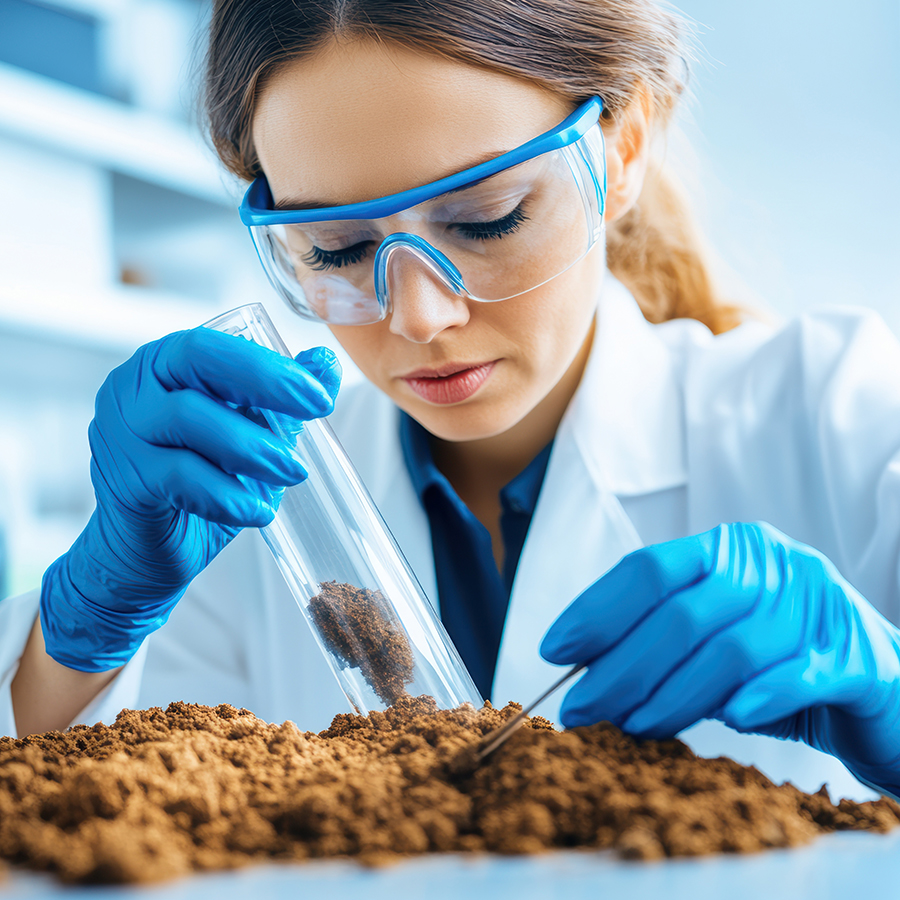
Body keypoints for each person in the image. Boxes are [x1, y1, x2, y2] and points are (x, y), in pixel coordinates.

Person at [2, 0, 898, 803]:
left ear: (622, 150)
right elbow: (93, 825)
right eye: (336, 248)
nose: (419, 316)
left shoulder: (836, 408)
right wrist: (82, 638)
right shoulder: (254, 502)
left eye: (488, 219)